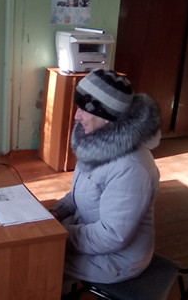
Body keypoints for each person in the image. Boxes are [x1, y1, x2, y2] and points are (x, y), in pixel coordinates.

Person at [49, 69, 161, 296]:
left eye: (84, 109)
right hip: (88, 236)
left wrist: (59, 236)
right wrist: (56, 213)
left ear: (107, 114)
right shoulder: (96, 142)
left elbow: (112, 235)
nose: (76, 116)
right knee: (33, 249)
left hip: (116, 260)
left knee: (39, 259)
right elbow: (81, 193)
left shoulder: (131, 167)